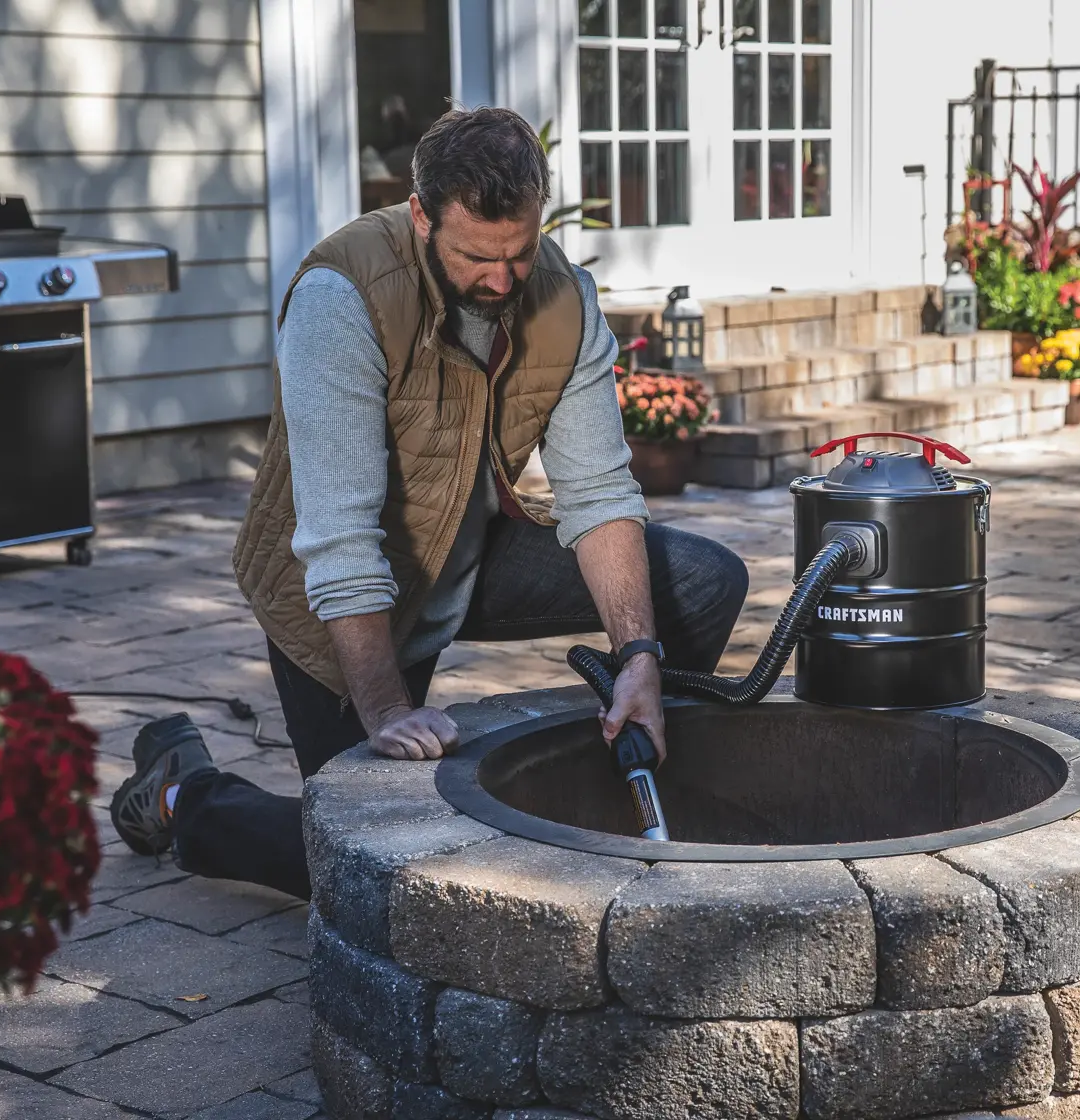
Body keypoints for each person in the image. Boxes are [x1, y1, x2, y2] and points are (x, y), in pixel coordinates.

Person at [108, 107, 748, 900]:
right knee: (376, 866)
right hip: (337, 599)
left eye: (519, 252)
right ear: (421, 216)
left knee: (704, 581)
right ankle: (188, 793)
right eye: (477, 256)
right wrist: (385, 708)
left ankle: (632, 784)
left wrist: (640, 659)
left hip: (467, 557)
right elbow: (340, 534)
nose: (503, 279)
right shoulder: (342, 296)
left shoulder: (564, 299)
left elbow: (601, 493)